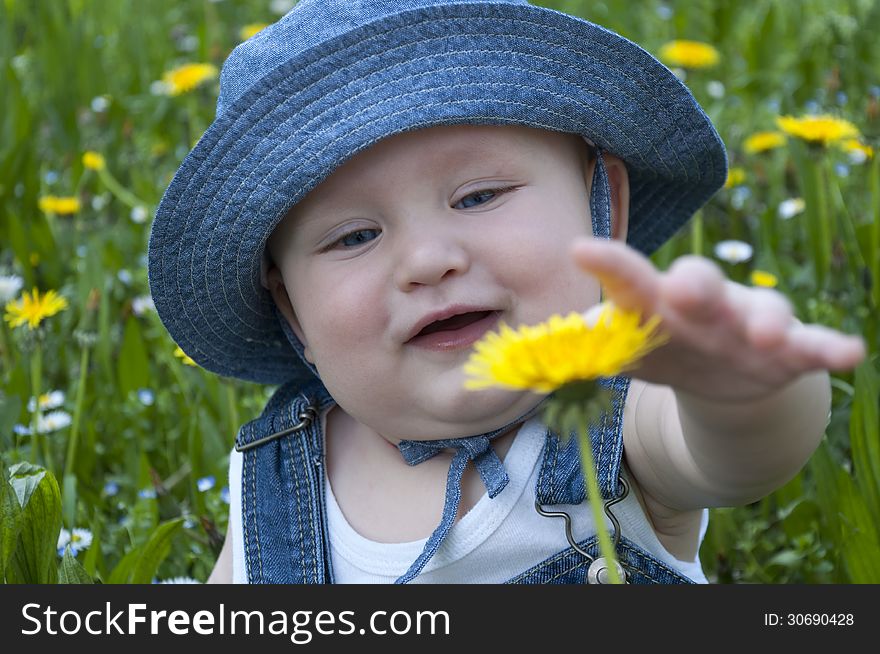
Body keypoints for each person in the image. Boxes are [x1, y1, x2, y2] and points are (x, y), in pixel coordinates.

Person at [148, 0, 865, 584]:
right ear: (290, 309)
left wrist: (742, 389)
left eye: (479, 195)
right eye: (354, 237)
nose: (427, 260)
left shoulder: (619, 413)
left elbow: (738, 458)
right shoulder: (273, 479)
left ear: (601, 209)